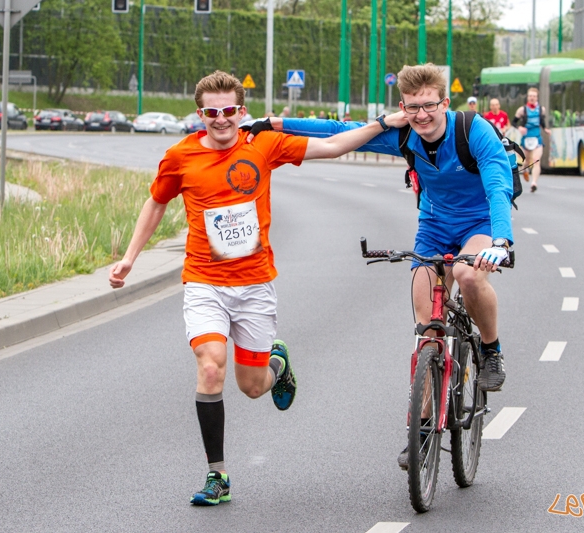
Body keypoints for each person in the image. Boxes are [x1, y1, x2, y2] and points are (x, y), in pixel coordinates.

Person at [108, 70, 406, 506]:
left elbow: (333, 145)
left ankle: (278, 366)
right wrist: (130, 257)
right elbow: (156, 201)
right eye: (212, 113)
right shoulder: (180, 156)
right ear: (200, 114)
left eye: (229, 111)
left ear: (241, 110)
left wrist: (383, 123)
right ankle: (218, 476)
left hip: (254, 285)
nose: (222, 120)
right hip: (204, 281)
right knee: (211, 367)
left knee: (251, 385)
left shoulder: (262, 144)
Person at [250, 63, 513, 470]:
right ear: (402, 107)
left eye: (429, 106)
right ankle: (423, 431)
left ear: (444, 102)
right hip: (434, 227)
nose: (421, 116)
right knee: (428, 332)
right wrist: (271, 123)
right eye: (412, 108)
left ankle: (491, 351)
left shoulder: (471, 130)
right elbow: (337, 131)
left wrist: (501, 240)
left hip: (479, 224)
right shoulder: (404, 134)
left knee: (466, 274)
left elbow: (497, 183)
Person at [513, 87, 550, 193]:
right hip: (526, 139)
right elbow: (514, 122)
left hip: (537, 138)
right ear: (527, 97)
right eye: (530, 96)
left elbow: (542, 121)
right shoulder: (522, 110)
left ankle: (534, 182)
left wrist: (545, 129)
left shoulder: (541, 109)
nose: (532, 98)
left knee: (536, 160)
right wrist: (520, 128)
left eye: (534, 96)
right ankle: (525, 169)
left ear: (537, 97)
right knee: (527, 161)